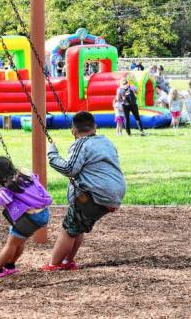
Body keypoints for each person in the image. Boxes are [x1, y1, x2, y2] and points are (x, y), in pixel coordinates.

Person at [43, 111, 126, 271]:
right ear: (95, 126)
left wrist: (52, 154)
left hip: (97, 194)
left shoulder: (82, 143)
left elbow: (69, 169)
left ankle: (53, 264)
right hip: (115, 193)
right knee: (77, 226)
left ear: (73, 130)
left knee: (68, 228)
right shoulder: (106, 141)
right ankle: (68, 261)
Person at [0, 156, 51, 279]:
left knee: (11, 244)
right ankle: (10, 265)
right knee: (20, 241)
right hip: (43, 214)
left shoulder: (8, 187)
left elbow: (3, 200)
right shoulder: (25, 175)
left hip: (29, 218)